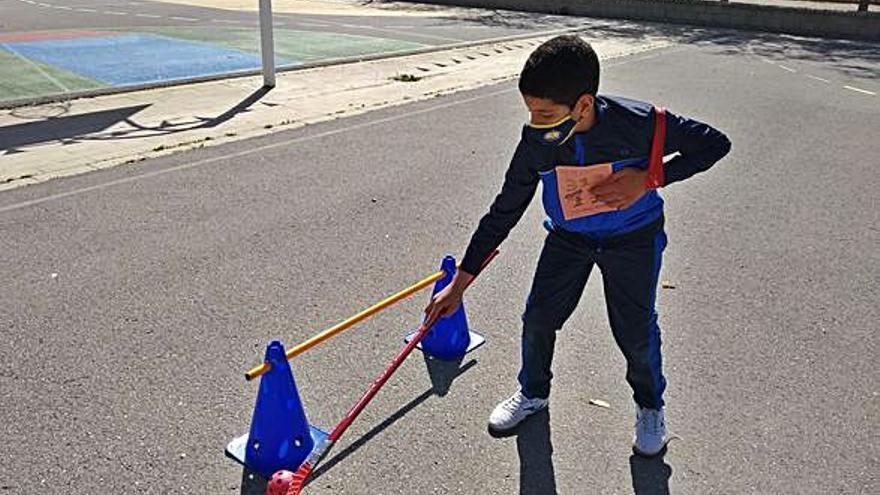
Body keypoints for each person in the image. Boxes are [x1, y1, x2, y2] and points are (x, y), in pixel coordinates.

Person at [423, 35, 731, 456]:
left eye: (546, 113)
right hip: (570, 238)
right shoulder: (537, 142)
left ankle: (649, 407)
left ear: (583, 105)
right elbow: (505, 209)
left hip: (632, 239)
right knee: (537, 318)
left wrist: (649, 179)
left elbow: (715, 144)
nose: (535, 123)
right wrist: (460, 283)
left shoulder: (642, 124)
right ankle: (532, 393)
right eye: (531, 112)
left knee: (635, 333)